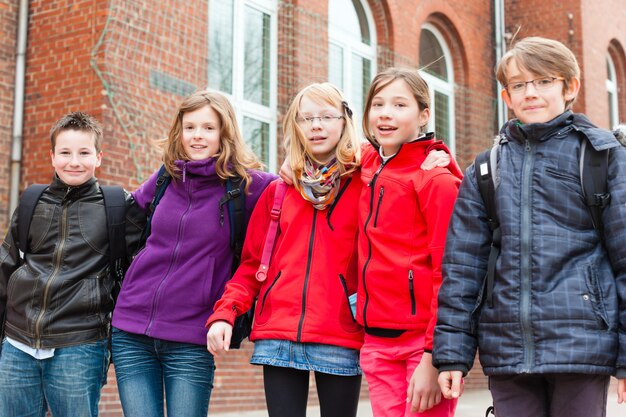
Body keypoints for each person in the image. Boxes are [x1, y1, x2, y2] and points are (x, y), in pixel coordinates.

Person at [433, 36, 626, 417]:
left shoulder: (603, 158)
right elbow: (462, 269)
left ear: (569, 86)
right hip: (507, 349)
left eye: (542, 81)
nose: (530, 92)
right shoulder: (487, 168)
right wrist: (452, 354)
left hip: (581, 345)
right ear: (506, 96)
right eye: (518, 85)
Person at [111, 90, 276, 417]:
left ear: (224, 133)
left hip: (191, 336)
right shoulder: (164, 178)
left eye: (208, 128)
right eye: (190, 127)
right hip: (131, 328)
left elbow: (295, 191)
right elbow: (118, 220)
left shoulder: (248, 186)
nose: (197, 136)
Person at [207, 83, 364, 417]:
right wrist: (226, 312)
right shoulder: (278, 192)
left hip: (340, 332)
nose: (316, 125)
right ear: (296, 126)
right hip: (278, 333)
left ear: (344, 122)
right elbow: (251, 265)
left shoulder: (365, 185)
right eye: (306, 118)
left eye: (326, 116)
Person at [0, 111, 145, 417]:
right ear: (52, 157)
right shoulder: (31, 202)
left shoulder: (118, 205)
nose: (74, 161)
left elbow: (147, 264)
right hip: (17, 343)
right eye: (65, 153)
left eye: (84, 153)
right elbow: (7, 265)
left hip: (80, 344)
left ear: (99, 157)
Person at [355, 67, 461, 417]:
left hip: (422, 344)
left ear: (423, 115)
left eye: (400, 105)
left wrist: (434, 356)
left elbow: (449, 271)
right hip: (376, 340)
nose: (386, 113)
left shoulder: (435, 179)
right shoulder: (367, 164)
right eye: (378, 104)